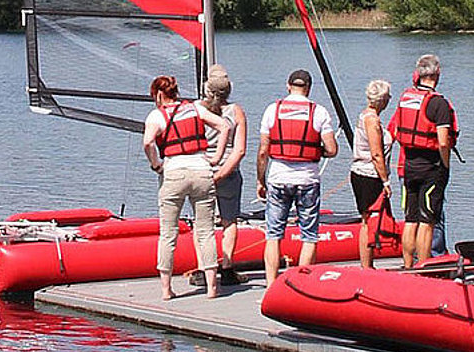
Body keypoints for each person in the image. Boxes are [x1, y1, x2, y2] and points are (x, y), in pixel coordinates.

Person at [143, 74, 232, 300]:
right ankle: (212, 288)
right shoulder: (195, 109)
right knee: (206, 232)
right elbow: (224, 126)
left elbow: (147, 142)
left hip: (173, 173)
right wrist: (216, 157)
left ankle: (166, 290)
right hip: (202, 170)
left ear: (159, 94)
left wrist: (156, 164)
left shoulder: (156, 115)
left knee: (168, 234)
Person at [256, 69, 339, 285]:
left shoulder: (272, 110)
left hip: (277, 177)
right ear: (309, 88)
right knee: (309, 235)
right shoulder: (318, 112)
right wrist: (314, 150)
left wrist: (260, 180)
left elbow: (264, 150)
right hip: (307, 179)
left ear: (288, 86)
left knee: (274, 234)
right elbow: (332, 149)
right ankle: (302, 286)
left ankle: (271, 285)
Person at [388, 54, 456, 267]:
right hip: (431, 167)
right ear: (437, 74)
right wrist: (445, 165)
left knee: (410, 220)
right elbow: (443, 143)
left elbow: (394, 131)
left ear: (418, 74)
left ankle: (408, 264)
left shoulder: (405, 98)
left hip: (408, 166)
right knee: (427, 222)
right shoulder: (439, 103)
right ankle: (425, 268)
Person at [198, 65, 248, 287]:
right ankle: (227, 268)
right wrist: (222, 173)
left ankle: (203, 269)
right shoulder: (236, 111)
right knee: (229, 221)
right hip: (228, 171)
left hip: (201, 169)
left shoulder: (196, 109)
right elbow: (240, 150)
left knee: (203, 223)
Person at [349, 79, 395, 269]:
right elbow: (376, 154)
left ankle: (367, 264)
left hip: (359, 172)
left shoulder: (364, 115)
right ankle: (367, 266)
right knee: (370, 220)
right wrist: (385, 181)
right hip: (369, 175)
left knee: (365, 220)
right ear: (383, 100)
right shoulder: (372, 120)